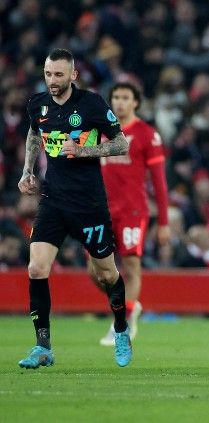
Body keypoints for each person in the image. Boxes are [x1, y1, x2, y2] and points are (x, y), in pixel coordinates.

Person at [17, 48, 133, 368]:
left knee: (107, 274)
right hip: (53, 200)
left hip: (89, 204)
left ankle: (121, 328)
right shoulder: (37, 104)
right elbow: (32, 135)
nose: (52, 81)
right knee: (36, 268)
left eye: (58, 75)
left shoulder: (92, 104)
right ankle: (43, 347)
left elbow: (121, 143)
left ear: (73, 75)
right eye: (48, 74)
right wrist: (28, 171)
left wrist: (85, 150)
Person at [91, 82, 170, 346]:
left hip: (133, 211)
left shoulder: (147, 134)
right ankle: (128, 306)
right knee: (96, 271)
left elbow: (159, 182)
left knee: (131, 265)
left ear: (135, 102)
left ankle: (122, 321)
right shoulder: (100, 132)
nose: (120, 102)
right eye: (116, 97)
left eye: (126, 98)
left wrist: (164, 223)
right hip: (101, 211)